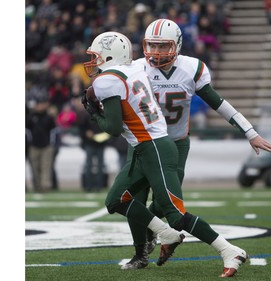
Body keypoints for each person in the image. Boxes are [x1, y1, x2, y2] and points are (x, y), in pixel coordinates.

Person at [82, 31, 256, 278]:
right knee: (115, 200)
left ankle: (229, 250)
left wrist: (93, 112)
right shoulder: (134, 70)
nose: (93, 61)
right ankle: (163, 234)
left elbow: (112, 128)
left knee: (175, 214)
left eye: (96, 56)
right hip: (149, 146)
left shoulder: (108, 80)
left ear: (110, 56)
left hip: (153, 148)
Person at [124, 19, 271, 277]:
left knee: (165, 203)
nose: (156, 52)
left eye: (163, 46)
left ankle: (156, 232)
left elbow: (218, 103)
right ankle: (140, 253)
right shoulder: (136, 68)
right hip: (141, 142)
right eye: (152, 45)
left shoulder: (191, 68)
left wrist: (249, 132)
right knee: (133, 199)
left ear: (177, 46)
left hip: (174, 144)